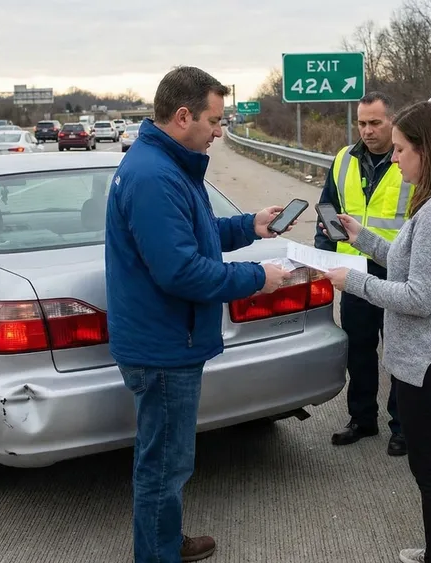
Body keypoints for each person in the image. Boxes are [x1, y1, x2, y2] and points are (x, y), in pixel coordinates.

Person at [105, 66, 292, 563]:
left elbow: (199, 233)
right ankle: (158, 554)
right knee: (164, 465)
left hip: (168, 340)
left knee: (166, 460)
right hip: (164, 347)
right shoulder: (153, 176)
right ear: (183, 115)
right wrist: (258, 278)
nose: (219, 130)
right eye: (214, 120)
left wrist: (250, 226)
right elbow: (180, 271)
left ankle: (165, 541)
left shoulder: (169, 166)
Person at [323, 100, 431, 563]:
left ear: (427, 150)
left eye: (400, 150)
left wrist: (352, 280)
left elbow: (419, 297)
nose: (394, 159)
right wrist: (362, 238)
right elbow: (410, 260)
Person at [314, 91, 415, 456]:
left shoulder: (409, 161)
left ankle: (402, 427)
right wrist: (322, 256)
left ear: (392, 122)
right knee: (359, 348)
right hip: (354, 271)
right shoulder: (343, 159)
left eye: (376, 123)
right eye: (362, 123)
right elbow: (327, 208)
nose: (368, 131)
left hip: (397, 271)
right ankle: (362, 419)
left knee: (399, 352)